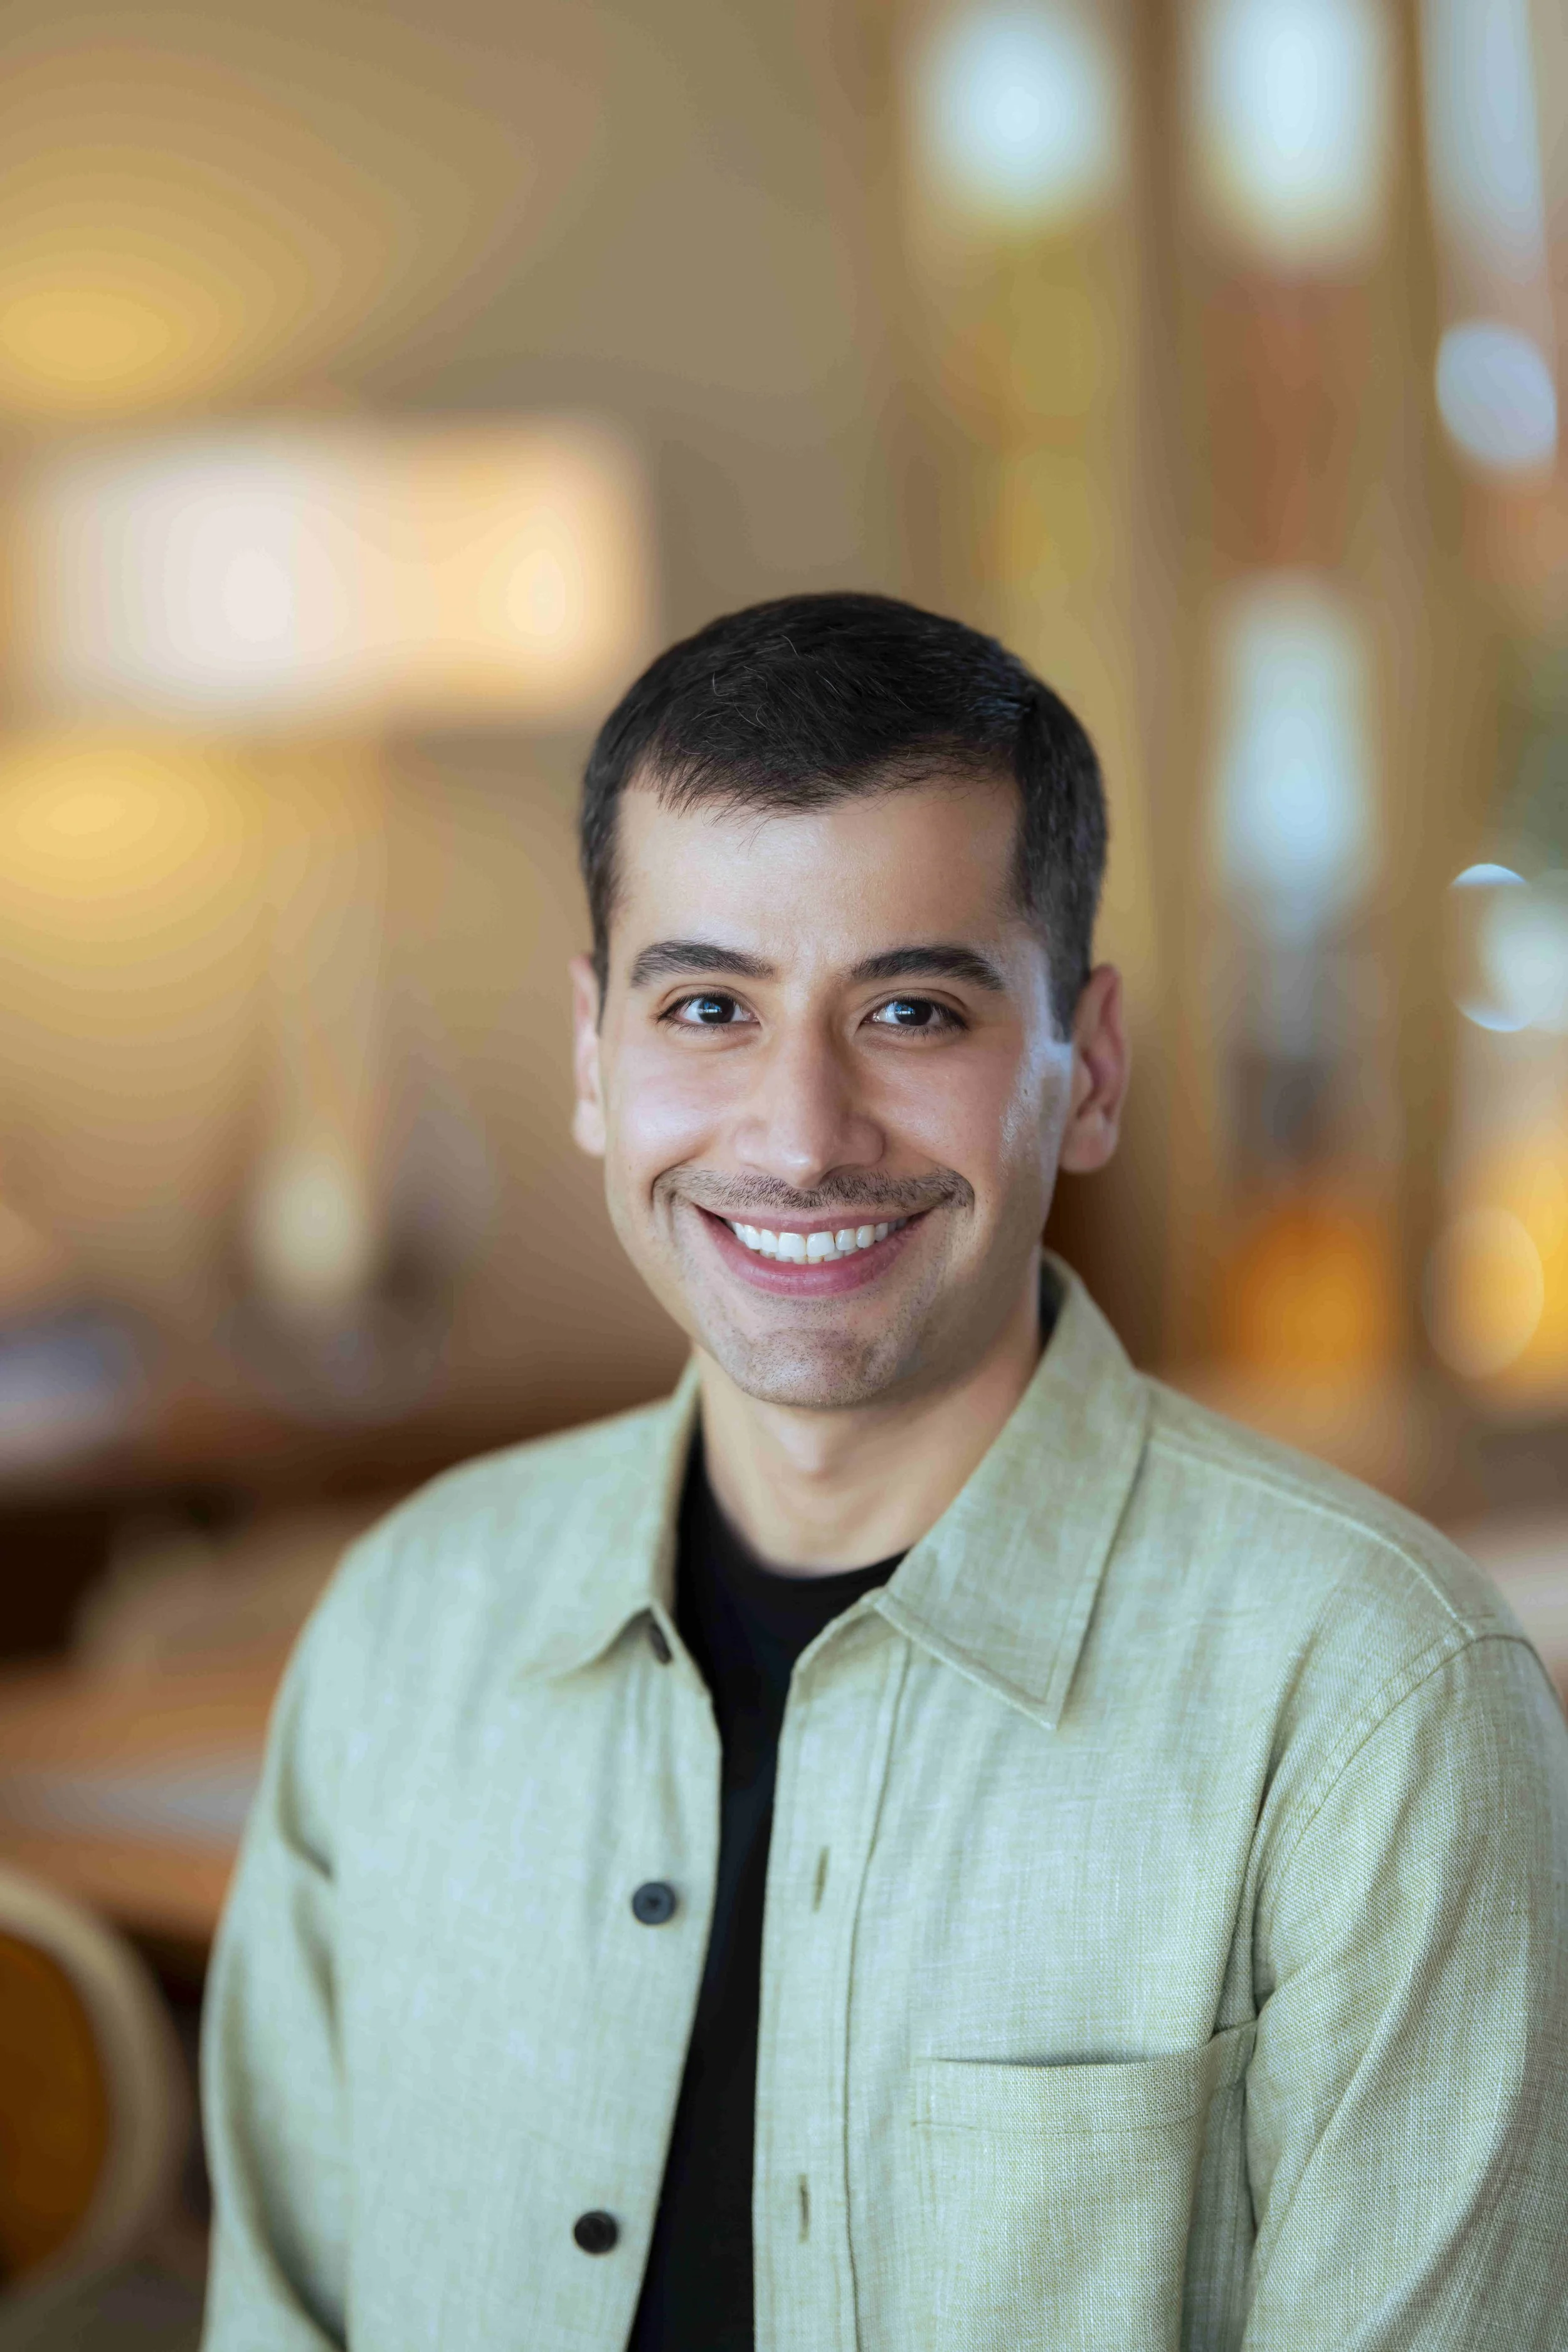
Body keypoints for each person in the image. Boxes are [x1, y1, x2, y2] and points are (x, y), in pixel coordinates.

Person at [201, 593, 1568, 2352]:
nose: (797, 1134)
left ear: (1090, 1070)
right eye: (705, 1003)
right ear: (591, 1059)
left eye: (914, 1011)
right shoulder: (406, 1625)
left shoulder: (1375, 1702)